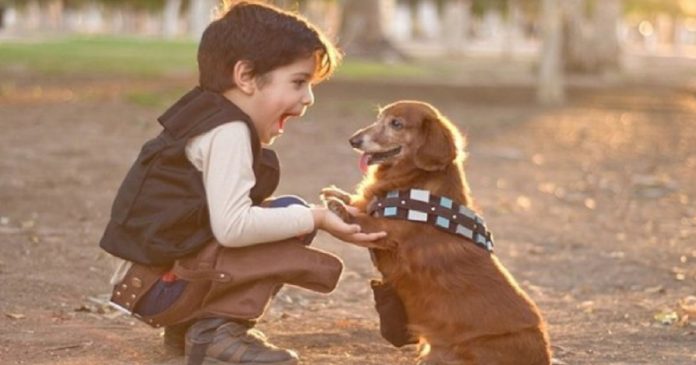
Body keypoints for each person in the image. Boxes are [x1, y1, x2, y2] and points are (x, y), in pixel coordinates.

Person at [98, 2, 386, 365]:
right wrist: (316, 217)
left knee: (285, 215)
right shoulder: (228, 132)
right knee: (291, 219)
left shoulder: (205, 115)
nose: (308, 99)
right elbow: (232, 228)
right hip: (156, 290)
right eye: (298, 82)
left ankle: (190, 330)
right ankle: (215, 334)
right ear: (246, 76)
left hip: (148, 282)